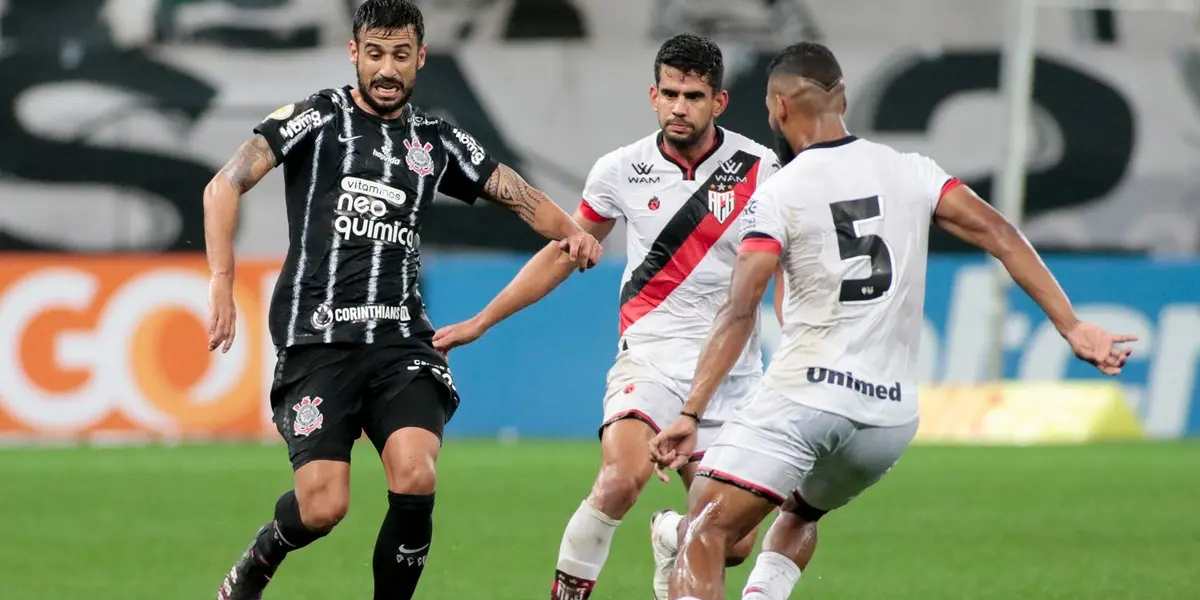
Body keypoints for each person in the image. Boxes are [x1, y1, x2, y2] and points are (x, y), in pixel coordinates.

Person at [648, 41, 1137, 600]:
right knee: (800, 512)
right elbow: (1000, 234)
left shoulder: (778, 192)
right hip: (888, 420)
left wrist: (691, 411)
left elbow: (740, 311)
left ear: (778, 109)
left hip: (805, 397)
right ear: (844, 100)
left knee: (705, 531)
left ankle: (671, 536)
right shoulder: (912, 171)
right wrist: (1073, 326)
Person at [203, 2, 603, 599]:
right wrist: (221, 279)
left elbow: (512, 189)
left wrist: (570, 229)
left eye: (399, 55)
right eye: (374, 54)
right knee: (322, 507)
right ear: (354, 54)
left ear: (419, 57)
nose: (386, 69)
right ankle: (261, 558)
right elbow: (224, 183)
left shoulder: (435, 139)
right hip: (319, 342)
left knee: (416, 473)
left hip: (401, 343)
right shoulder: (316, 117)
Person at [432, 34, 782, 600]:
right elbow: (561, 253)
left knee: (734, 543)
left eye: (693, 96)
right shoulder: (622, 169)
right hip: (650, 356)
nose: (678, 107)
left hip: (730, 374)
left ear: (718, 102)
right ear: (652, 95)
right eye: (669, 93)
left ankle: (671, 532)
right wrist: (482, 321)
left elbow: (782, 264)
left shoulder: (761, 169)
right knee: (621, 479)